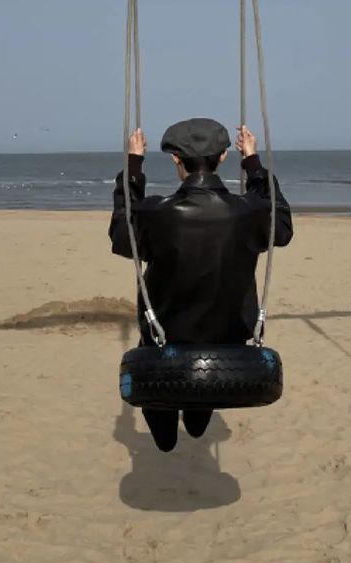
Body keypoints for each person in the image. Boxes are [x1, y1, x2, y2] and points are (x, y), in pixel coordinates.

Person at [110, 117, 293, 452]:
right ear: (224, 157)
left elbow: (122, 236)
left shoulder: (157, 214)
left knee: (164, 427)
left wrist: (133, 166)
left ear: (175, 159)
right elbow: (281, 225)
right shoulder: (249, 212)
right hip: (226, 342)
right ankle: (195, 420)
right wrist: (253, 163)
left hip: (164, 343)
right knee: (201, 393)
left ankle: (166, 437)